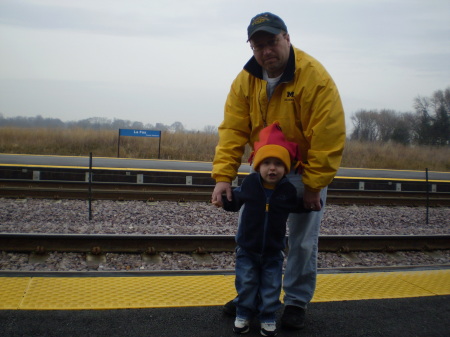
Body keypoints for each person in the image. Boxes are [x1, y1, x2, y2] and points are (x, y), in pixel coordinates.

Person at [211, 12, 346, 330]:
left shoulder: (314, 78)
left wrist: (313, 185)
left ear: (287, 38)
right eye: (258, 46)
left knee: (301, 242)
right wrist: (222, 177)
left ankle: (296, 301)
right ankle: (251, 297)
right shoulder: (246, 80)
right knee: (252, 238)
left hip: (303, 173)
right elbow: (233, 130)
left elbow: (327, 134)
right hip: (263, 173)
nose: (266, 51)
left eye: (271, 42)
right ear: (251, 48)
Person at [214, 122, 312, 336]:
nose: (272, 168)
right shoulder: (250, 184)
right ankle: (244, 313)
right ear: (257, 165)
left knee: (271, 286)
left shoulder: (286, 190)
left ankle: (268, 316)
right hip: (247, 249)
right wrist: (225, 201)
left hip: (273, 251)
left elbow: (297, 206)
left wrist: (308, 205)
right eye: (266, 162)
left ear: (286, 167)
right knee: (246, 282)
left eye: (278, 163)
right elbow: (237, 200)